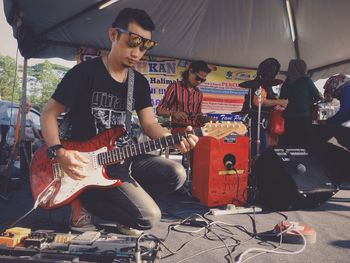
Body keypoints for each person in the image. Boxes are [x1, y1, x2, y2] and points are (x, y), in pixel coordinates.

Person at [40, 8, 198, 235]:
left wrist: (171, 139)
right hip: (85, 162)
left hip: (120, 158)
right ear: (113, 35)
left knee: (176, 173)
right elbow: (48, 113)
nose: (137, 52)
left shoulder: (140, 84)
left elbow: (149, 124)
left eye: (144, 47)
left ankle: (124, 208)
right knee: (149, 218)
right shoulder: (84, 73)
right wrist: (58, 151)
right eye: (132, 43)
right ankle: (83, 199)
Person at [242, 58, 288, 158]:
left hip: (261, 120)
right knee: (260, 149)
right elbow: (258, 102)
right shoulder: (261, 84)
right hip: (257, 120)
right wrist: (280, 102)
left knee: (264, 147)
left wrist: (276, 104)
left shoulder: (265, 84)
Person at [156, 60, 212, 129]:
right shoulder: (174, 87)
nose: (199, 82)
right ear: (190, 71)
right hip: (177, 129)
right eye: (198, 78)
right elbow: (159, 110)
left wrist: (205, 119)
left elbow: (198, 115)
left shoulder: (199, 93)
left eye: (203, 80)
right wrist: (174, 113)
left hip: (195, 130)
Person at [278, 59, 321, 147]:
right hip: (303, 118)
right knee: (303, 145)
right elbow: (318, 98)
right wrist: (307, 102)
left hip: (287, 119)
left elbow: (281, 100)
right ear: (303, 68)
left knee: (288, 144)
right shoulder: (306, 81)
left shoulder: (286, 83)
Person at [6, 101, 41, 177]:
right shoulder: (16, 116)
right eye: (26, 106)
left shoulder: (30, 115)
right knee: (26, 151)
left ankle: (32, 168)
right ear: (21, 107)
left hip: (28, 140)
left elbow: (34, 128)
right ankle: (24, 172)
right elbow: (18, 130)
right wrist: (30, 139)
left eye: (29, 106)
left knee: (40, 146)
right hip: (16, 139)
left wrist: (40, 138)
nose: (28, 108)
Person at [316, 74, 350, 150]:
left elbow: (342, 113)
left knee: (339, 132)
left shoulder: (346, 91)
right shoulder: (342, 91)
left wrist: (327, 122)